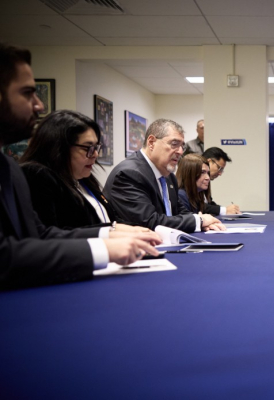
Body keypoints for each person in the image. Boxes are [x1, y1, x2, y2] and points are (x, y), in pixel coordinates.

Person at [0, 43, 160, 289]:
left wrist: (109, 235)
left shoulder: (9, 168)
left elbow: (41, 234)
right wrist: (102, 248)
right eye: (27, 93)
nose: (39, 105)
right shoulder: (34, 173)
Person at [20, 110, 149, 231]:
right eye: (88, 147)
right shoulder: (37, 176)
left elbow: (110, 218)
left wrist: (137, 230)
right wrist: (112, 230)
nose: (95, 154)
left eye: (96, 147)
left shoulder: (84, 178)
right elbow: (51, 233)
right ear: (59, 147)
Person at [104, 118, 225, 232]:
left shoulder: (168, 176)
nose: (180, 151)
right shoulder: (129, 174)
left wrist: (202, 223)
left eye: (182, 146)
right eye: (174, 144)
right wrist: (198, 221)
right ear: (151, 142)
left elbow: (180, 211)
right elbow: (149, 222)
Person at [202, 146, 241, 215]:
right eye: (220, 168)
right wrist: (225, 210)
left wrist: (227, 209)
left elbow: (209, 203)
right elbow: (197, 206)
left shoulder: (206, 181)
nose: (220, 173)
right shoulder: (192, 179)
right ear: (209, 162)